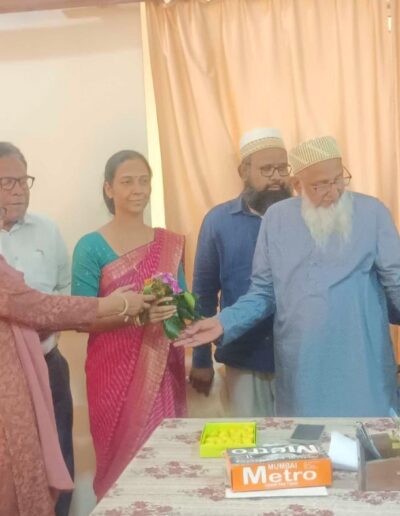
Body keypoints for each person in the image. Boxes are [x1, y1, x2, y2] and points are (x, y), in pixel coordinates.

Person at [175, 135, 400, 417]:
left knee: (369, 437)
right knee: (307, 439)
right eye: (320, 185)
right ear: (297, 185)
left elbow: (396, 280)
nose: (334, 191)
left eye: (338, 179)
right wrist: (224, 322)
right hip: (303, 365)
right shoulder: (277, 219)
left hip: (362, 360)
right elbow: (263, 293)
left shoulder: (373, 212)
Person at [0, 225, 155, 516]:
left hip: (36, 370)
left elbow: (32, 312)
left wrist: (114, 307)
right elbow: (35, 307)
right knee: (16, 474)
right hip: (10, 388)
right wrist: (113, 304)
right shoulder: (90, 246)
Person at [72, 150, 187, 499]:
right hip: (111, 374)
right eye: (127, 182)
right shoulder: (90, 247)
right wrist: (134, 314)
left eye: (143, 180)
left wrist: (172, 311)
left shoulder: (170, 243)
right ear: (109, 189)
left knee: (165, 464)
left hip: (160, 368)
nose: (138, 189)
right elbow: (81, 317)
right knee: (119, 468)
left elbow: (183, 305)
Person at [190, 128, 292, 416]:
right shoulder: (219, 221)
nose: (277, 177)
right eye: (267, 169)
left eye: (282, 168)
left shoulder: (303, 218)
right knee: (248, 438)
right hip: (243, 357)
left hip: (297, 359)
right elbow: (203, 293)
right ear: (244, 171)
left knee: (298, 439)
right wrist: (201, 360)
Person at [0, 142, 74, 516]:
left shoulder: (47, 229)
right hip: (6, 378)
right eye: (8, 182)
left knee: (59, 457)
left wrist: (50, 327)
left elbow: (64, 287)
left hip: (49, 363)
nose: (19, 190)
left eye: (23, 180)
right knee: (13, 470)